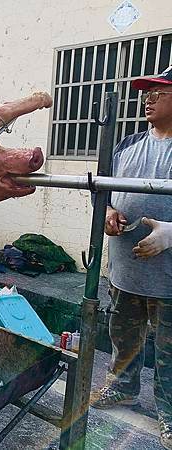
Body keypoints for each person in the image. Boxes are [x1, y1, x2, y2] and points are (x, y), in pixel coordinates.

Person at [90, 66, 172, 450]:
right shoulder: (126, 145)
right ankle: (123, 389)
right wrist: (106, 210)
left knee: (170, 353)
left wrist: (171, 233)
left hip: (168, 280)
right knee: (124, 340)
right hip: (124, 273)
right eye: (145, 92)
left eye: (159, 91)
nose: (147, 98)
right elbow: (100, 189)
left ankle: (169, 414)